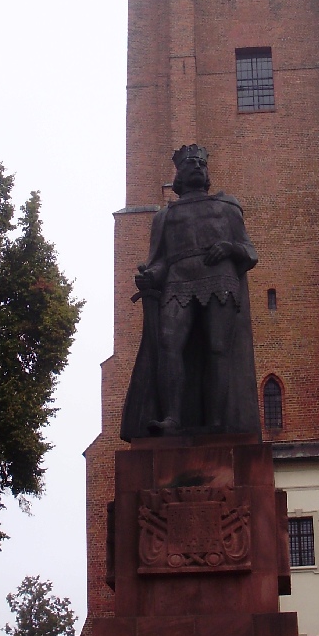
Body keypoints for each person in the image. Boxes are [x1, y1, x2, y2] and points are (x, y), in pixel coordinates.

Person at [121, 145, 260, 439]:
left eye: (201, 163)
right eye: (189, 164)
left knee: (218, 348)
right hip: (178, 281)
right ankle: (172, 418)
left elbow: (249, 252)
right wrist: (150, 275)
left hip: (220, 279)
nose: (197, 166)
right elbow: (160, 260)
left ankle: (217, 421)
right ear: (179, 175)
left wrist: (230, 248)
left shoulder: (227, 207)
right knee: (169, 344)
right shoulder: (164, 216)